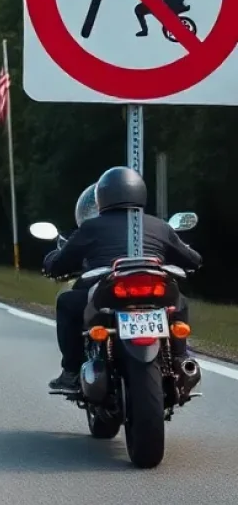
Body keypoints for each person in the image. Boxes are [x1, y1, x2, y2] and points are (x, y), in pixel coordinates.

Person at [43, 166, 202, 393]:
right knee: (180, 302)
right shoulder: (160, 226)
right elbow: (193, 260)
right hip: (156, 288)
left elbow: (60, 263)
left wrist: (51, 263)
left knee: (67, 302)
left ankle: (70, 371)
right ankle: (180, 359)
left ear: (101, 197)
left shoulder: (92, 226)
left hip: (110, 290)